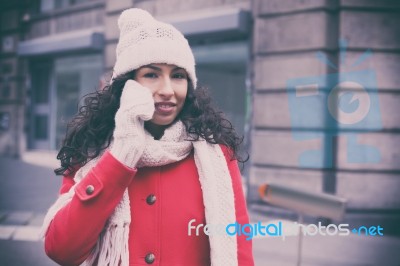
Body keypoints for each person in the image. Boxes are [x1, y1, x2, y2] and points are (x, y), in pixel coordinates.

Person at [41, 8, 254, 266]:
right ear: (127, 85)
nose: (167, 90)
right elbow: (61, 249)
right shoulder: (91, 151)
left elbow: (240, 250)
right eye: (152, 75)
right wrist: (121, 156)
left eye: (177, 76)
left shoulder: (217, 155)